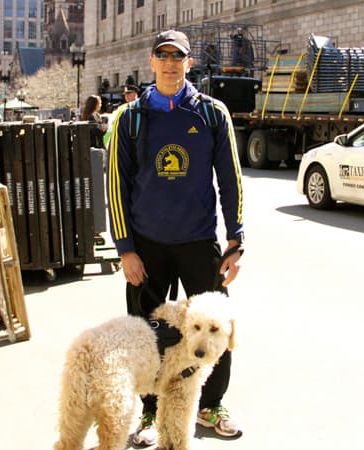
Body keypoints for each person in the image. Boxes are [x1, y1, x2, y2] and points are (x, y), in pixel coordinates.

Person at [105, 29, 245, 447]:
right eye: (161, 56)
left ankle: (211, 405)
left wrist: (236, 241)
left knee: (214, 330)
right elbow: (117, 185)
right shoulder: (130, 118)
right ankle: (149, 414)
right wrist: (126, 249)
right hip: (147, 246)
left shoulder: (211, 113)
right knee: (146, 335)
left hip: (199, 241)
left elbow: (231, 180)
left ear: (188, 63)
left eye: (177, 57)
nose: (169, 63)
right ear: (151, 62)